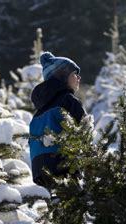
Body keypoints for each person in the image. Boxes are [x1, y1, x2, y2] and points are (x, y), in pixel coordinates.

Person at [29, 51, 86, 190]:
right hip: (63, 161)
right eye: (74, 73)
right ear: (62, 77)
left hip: (39, 167)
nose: (79, 77)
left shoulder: (38, 112)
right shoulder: (68, 100)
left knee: (55, 203)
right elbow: (85, 129)